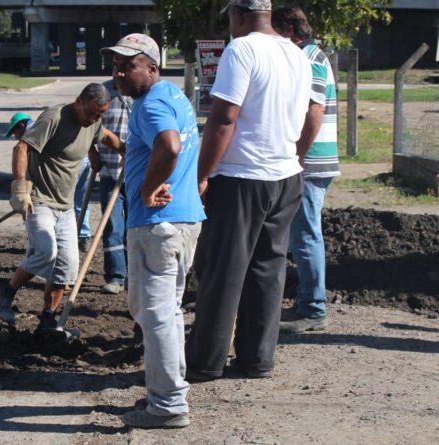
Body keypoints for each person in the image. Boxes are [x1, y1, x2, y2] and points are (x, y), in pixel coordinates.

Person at [185, 0, 312, 381]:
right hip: (285, 175)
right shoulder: (296, 54)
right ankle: (257, 358)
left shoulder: (241, 49)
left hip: (242, 177)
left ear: (237, 16)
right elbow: (309, 113)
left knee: (223, 270)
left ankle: (205, 363)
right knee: (267, 270)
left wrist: (202, 174)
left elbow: (223, 117)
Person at [101, 33, 205, 429]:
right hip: (182, 221)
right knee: (167, 311)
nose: (119, 72)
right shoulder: (175, 96)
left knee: (155, 313)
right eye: (116, 64)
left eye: (129, 64)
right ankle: (170, 391)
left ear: (153, 68)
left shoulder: (149, 103)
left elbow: (170, 145)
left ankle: (167, 406)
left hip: (158, 226)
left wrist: (144, 189)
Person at [0, 83, 124, 333]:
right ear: (78, 101)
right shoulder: (54, 118)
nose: (95, 119)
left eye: (100, 115)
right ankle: (5, 296)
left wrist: (125, 151)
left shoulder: (93, 122)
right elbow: (22, 147)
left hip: (65, 208)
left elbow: (106, 136)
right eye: (92, 113)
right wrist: (20, 188)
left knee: (68, 267)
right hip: (39, 200)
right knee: (46, 251)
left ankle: (48, 319)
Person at [272, 6, 341, 334]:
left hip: (310, 162)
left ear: (288, 31)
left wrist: (297, 156)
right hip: (310, 159)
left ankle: (313, 309)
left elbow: (314, 110)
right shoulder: (309, 55)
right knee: (299, 232)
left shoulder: (308, 58)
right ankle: (306, 303)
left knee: (304, 233)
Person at [89, 79, 132, 294]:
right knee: (113, 226)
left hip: (137, 175)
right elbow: (88, 125)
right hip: (109, 173)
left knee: (134, 227)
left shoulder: (141, 93)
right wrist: (92, 153)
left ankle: (134, 274)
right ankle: (116, 276)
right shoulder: (103, 94)